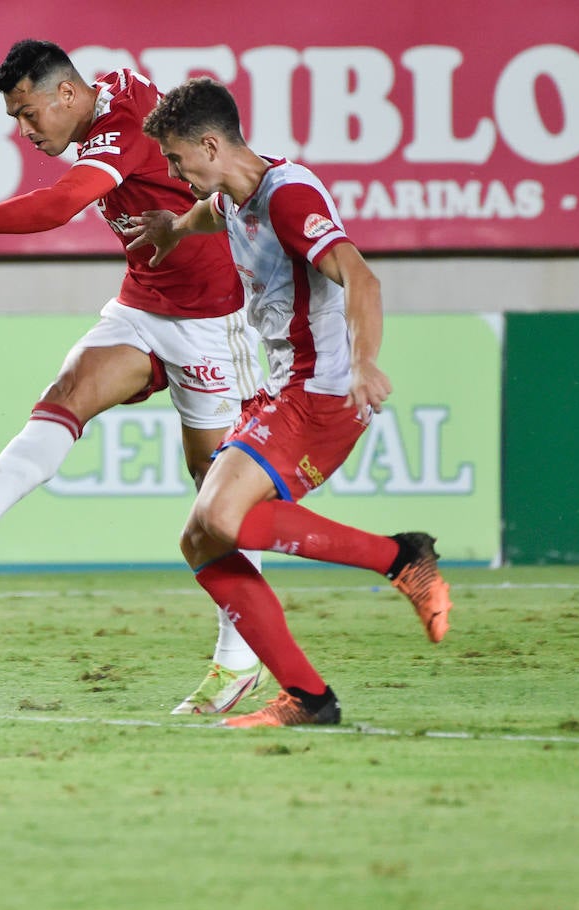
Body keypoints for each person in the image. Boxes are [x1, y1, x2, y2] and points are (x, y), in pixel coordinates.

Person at [0, 39, 266, 714]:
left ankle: (240, 660)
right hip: (144, 305)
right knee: (67, 394)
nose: (24, 131)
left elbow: (58, 207)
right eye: (13, 118)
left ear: (66, 94)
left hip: (214, 319)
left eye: (28, 114)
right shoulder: (111, 95)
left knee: (218, 502)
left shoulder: (120, 127)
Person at [128, 77, 453, 728]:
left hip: (321, 394)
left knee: (220, 520)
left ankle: (401, 557)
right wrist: (171, 230)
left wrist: (363, 362)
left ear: (212, 145)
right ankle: (309, 698)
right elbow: (202, 216)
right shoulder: (229, 198)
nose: (172, 171)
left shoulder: (288, 197)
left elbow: (360, 274)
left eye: (174, 159)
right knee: (200, 540)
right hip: (277, 394)